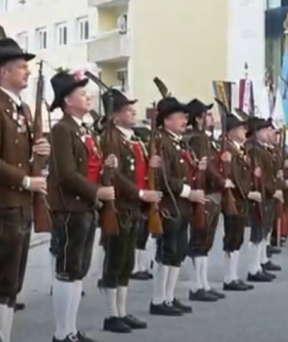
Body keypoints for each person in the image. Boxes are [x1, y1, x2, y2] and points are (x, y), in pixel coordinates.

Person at [0, 38, 51, 342]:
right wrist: (25, 181)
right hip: (3, 204)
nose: (27, 72)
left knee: (14, 281)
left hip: (19, 203)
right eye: (22, 67)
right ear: (4, 72)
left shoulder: (18, 108)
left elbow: (23, 153)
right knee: (3, 280)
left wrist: (39, 151)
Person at [46, 70, 109, 342]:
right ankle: (62, 333)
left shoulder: (82, 129)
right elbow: (67, 174)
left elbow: (90, 165)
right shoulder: (62, 129)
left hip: (86, 206)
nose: (87, 97)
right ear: (67, 100)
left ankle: (71, 329)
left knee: (78, 270)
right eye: (82, 93)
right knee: (67, 270)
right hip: (70, 207)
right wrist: (98, 190)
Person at [97, 89, 161, 333]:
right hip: (120, 206)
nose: (133, 113)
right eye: (127, 110)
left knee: (127, 262)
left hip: (133, 208)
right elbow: (116, 175)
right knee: (114, 261)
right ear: (115, 116)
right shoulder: (111, 138)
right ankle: (110, 314)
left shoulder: (132, 139)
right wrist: (140, 194)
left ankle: (121, 311)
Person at [148, 96, 206, 317]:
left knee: (178, 253)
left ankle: (169, 297)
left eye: (185, 116)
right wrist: (189, 192)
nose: (185, 120)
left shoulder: (178, 142)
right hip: (169, 204)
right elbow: (163, 178)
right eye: (180, 116)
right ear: (166, 120)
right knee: (167, 252)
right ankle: (158, 299)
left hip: (181, 206)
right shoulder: (161, 142)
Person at [184, 99, 226, 302]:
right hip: (206, 193)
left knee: (205, 243)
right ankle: (196, 286)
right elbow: (206, 166)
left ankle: (203, 284)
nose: (211, 118)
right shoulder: (198, 139)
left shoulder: (204, 138)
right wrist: (221, 181)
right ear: (199, 118)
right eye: (207, 114)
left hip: (210, 193)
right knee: (199, 241)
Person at [219, 110, 254, 291]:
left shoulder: (238, 150)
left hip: (241, 199)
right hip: (235, 198)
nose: (244, 132)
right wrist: (247, 193)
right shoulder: (228, 150)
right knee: (232, 238)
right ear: (230, 131)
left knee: (237, 238)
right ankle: (228, 278)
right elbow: (234, 176)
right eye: (240, 129)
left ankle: (233, 276)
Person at [244, 117, 282, 282]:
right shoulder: (253, 150)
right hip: (260, 194)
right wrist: (272, 190)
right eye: (265, 130)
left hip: (266, 194)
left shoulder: (263, 149)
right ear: (257, 132)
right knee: (257, 231)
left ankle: (260, 263)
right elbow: (261, 176)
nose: (269, 133)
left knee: (263, 230)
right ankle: (254, 268)